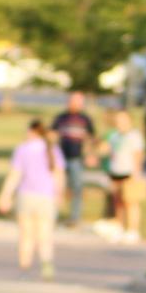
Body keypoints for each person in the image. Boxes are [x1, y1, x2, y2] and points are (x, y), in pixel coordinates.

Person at [0, 119, 65, 280]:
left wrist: (5, 195)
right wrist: (59, 193)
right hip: (46, 196)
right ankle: (46, 264)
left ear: (32, 132)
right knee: (45, 233)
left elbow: (15, 174)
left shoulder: (23, 149)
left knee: (26, 234)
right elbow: (59, 175)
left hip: (26, 195)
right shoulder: (52, 149)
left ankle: (25, 266)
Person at [50, 92, 97, 229]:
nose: (74, 104)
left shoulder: (85, 119)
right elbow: (52, 135)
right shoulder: (61, 117)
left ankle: (75, 218)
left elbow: (91, 138)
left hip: (77, 158)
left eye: (78, 101)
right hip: (61, 158)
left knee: (76, 188)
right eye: (72, 101)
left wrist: (91, 154)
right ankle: (54, 215)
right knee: (57, 187)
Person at [103, 109, 146, 245]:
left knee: (131, 202)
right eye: (118, 119)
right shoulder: (114, 136)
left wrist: (137, 172)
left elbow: (138, 154)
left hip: (129, 172)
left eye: (122, 119)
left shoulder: (134, 136)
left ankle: (133, 230)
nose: (120, 122)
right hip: (116, 171)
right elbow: (109, 152)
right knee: (118, 202)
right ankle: (120, 228)